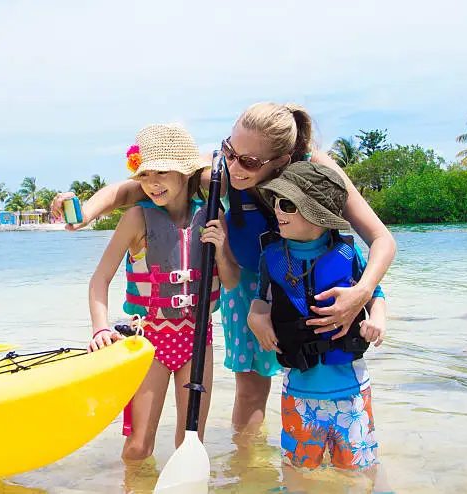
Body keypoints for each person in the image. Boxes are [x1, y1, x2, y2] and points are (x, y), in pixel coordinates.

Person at [52, 102, 396, 431]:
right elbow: (132, 190)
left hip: (309, 282)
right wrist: (84, 212)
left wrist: (362, 293)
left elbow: (382, 239)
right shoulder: (221, 171)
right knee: (250, 390)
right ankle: (245, 470)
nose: (233, 167)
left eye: (247, 161)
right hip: (245, 284)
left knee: (322, 376)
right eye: (228, 151)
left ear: (282, 160)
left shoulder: (314, 173)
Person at [87, 123, 240, 461]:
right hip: (149, 341)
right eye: (144, 175)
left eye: (162, 173)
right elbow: (100, 279)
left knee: (191, 444)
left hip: (198, 339)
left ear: (185, 173)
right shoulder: (136, 218)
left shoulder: (213, 214)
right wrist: (100, 327)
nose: (152, 183)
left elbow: (230, 282)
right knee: (139, 446)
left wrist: (222, 248)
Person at [249, 160, 386, 476]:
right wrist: (255, 319)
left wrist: (377, 319)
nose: (277, 210)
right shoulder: (271, 257)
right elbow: (261, 301)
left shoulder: (347, 253)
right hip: (299, 395)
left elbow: (375, 293)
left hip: (350, 394)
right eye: (275, 202)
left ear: (317, 214)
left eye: (286, 204)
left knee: (359, 473)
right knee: (298, 473)